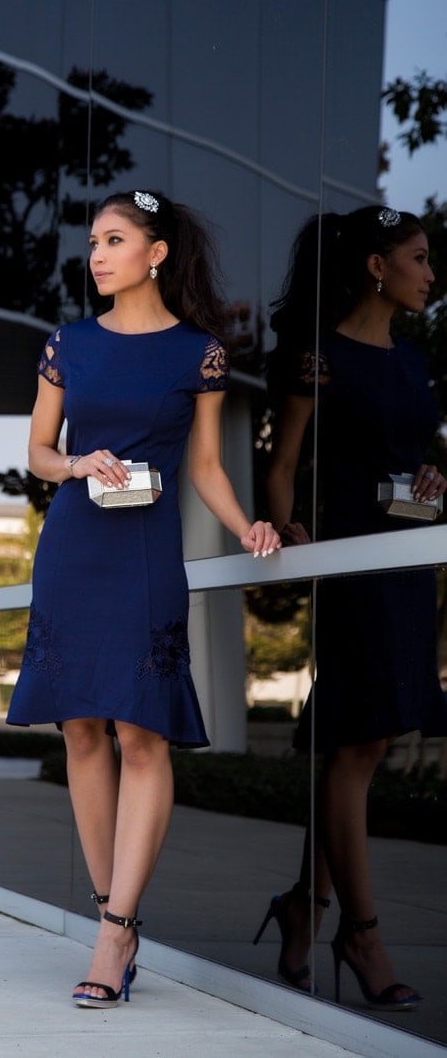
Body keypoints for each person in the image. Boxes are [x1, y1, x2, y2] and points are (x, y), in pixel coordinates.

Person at [6, 188, 281, 1008]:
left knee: (142, 729)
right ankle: (112, 918)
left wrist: (247, 526)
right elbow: (37, 451)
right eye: (93, 240)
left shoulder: (197, 353)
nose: (96, 254)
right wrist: (78, 463)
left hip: (146, 556)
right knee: (82, 728)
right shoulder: (69, 345)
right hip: (73, 548)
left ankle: (116, 928)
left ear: (155, 253)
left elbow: (203, 466)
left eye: (114, 239)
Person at [257, 205, 447, 1010]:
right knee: (357, 742)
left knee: (362, 742)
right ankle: (358, 932)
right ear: (377, 265)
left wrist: (438, 482)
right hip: (349, 563)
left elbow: (424, 464)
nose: (430, 273)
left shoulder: (415, 361)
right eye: (418, 257)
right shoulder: (319, 359)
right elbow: (283, 461)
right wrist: (286, 523)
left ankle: (306, 905)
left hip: (407, 561)